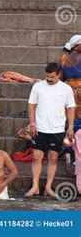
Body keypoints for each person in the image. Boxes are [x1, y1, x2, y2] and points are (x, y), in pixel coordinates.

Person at [25, 63, 75, 197]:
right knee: (36, 157)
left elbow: (70, 108)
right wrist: (32, 124)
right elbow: (31, 105)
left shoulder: (66, 89)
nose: (49, 79)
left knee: (53, 158)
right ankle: (35, 186)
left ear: (59, 75)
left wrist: (70, 127)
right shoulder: (38, 86)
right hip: (39, 128)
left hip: (57, 129)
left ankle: (48, 187)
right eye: (47, 76)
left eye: (52, 77)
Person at [60, 35, 81, 190]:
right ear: (76, 46)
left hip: (74, 95)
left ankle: (73, 156)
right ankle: (70, 156)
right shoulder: (64, 59)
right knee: (71, 125)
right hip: (70, 96)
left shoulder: (64, 59)